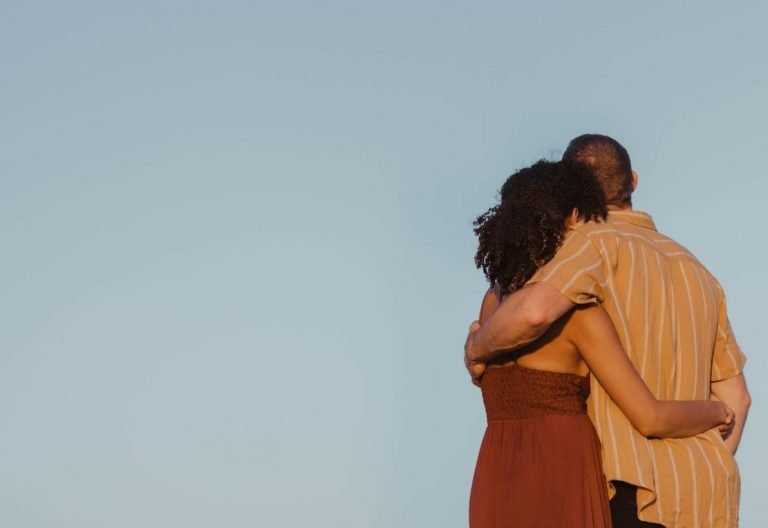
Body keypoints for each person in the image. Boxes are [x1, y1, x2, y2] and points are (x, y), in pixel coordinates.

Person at [465, 135, 751, 528]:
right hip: (702, 497)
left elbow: (532, 312)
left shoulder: (584, 248)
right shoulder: (699, 273)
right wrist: (703, 464)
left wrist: (476, 347)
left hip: (619, 486)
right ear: (632, 181)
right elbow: (739, 397)